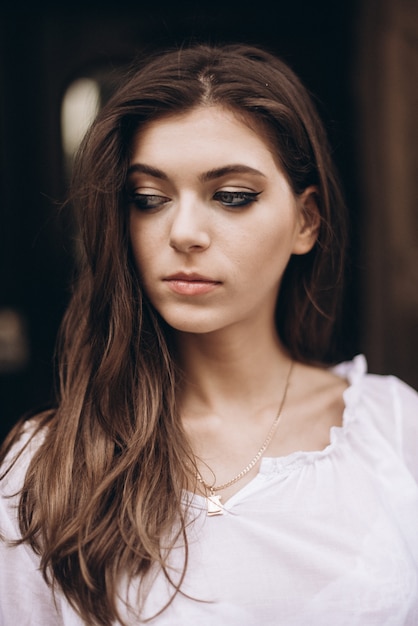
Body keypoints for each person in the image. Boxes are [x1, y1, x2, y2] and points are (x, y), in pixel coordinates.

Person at [0, 43, 417, 626]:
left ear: (306, 221)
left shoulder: (395, 430)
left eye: (232, 196)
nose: (185, 232)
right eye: (149, 200)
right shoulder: (47, 465)